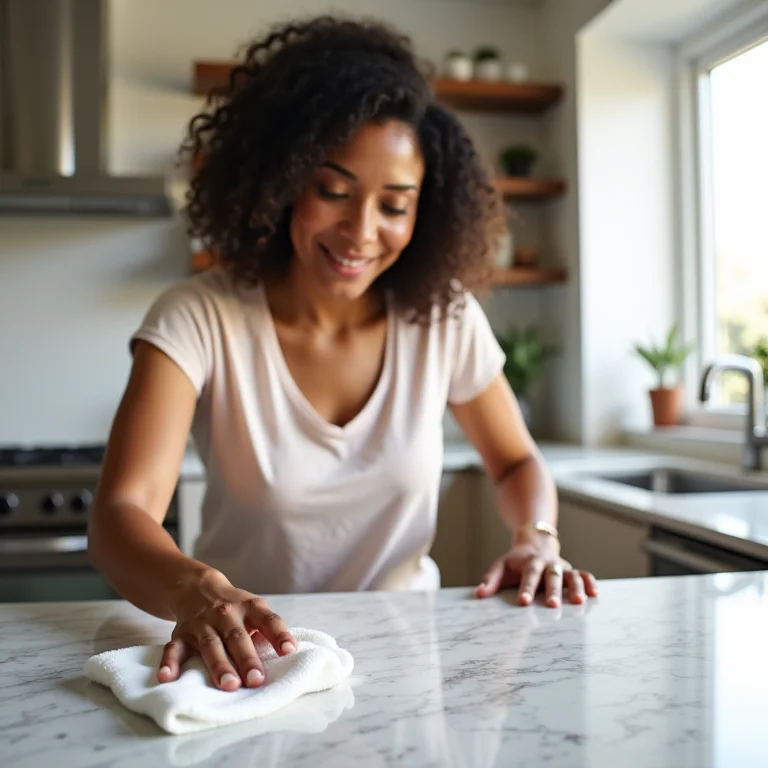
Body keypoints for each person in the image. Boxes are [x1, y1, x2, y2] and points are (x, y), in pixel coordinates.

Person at [88, 15, 597, 695]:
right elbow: (122, 512)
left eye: (394, 204)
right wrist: (196, 591)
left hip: (410, 670)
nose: (361, 232)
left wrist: (537, 536)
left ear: (426, 213)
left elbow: (514, 460)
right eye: (333, 191)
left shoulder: (442, 319)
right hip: (250, 667)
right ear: (283, 180)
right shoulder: (199, 316)